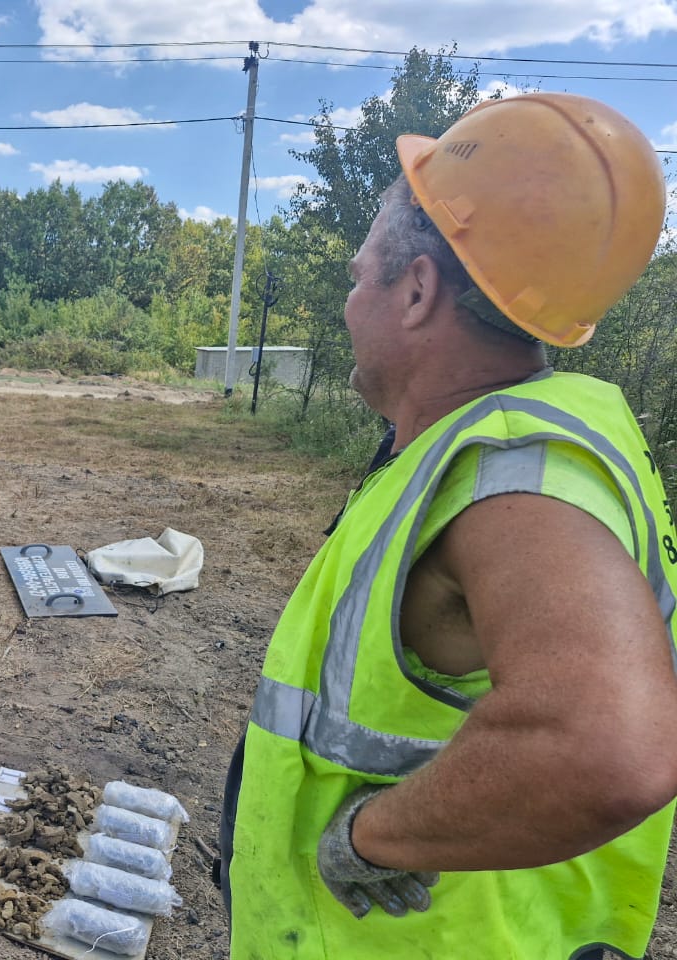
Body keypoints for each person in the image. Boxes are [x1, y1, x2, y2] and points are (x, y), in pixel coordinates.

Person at [219, 92, 677, 960]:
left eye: (359, 277)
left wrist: (373, 839)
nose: (351, 302)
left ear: (418, 290)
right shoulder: (500, 445)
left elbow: (611, 748)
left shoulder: (510, 475)